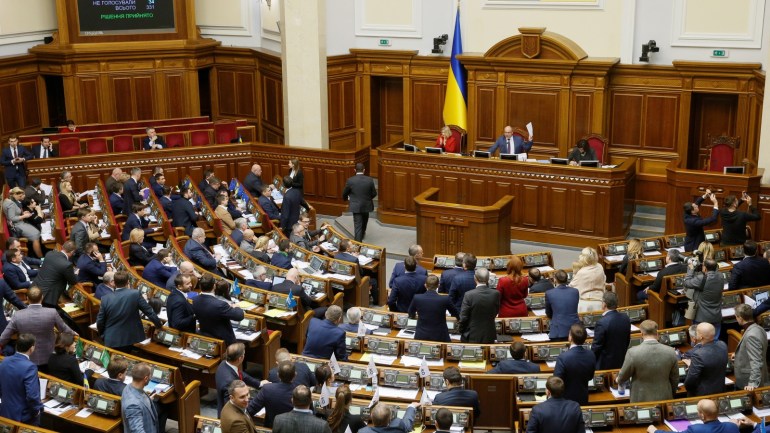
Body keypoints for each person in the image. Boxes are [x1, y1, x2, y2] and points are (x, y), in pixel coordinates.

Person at [0, 286, 70, 367]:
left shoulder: (18, 315)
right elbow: (64, 329)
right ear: (42, 297)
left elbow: (4, 337)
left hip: (27, 360)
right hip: (48, 357)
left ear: (27, 298)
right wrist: (75, 333)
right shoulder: (52, 312)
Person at [96, 271, 163, 352]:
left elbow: (100, 321)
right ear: (128, 282)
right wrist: (158, 325)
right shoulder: (135, 294)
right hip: (128, 338)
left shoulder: (105, 298)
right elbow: (149, 312)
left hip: (111, 339)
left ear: (114, 283)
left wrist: (103, 335)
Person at [616, 320, 679, 402]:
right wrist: (671, 393)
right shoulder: (671, 351)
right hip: (665, 397)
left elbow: (623, 377)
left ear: (641, 334)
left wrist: (618, 379)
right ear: (657, 334)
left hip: (640, 399)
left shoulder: (633, 352)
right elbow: (675, 378)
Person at [0, 334, 42, 424]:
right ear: (31, 348)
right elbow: (32, 396)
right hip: (23, 416)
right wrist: (36, 411)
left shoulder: (4, 361)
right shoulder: (30, 367)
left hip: (5, 411)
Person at [192, 274, 244, 346]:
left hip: (206, 339)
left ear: (200, 286)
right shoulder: (220, 304)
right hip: (223, 342)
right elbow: (239, 316)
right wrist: (236, 307)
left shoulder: (194, 300)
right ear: (214, 286)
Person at [215, 343, 263, 416]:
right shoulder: (230, 382)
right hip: (232, 417)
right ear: (240, 358)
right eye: (244, 354)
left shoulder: (224, 363)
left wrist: (259, 383)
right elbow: (231, 406)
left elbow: (240, 374)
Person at [553, 324, 595, 405]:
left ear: (570, 337)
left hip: (566, 400)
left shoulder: (563, 357)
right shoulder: (591, 355)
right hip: (583, 398)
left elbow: (556, 382)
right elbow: (590, 376)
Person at [408, 274, 459, 341]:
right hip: (440, 335)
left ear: (425, 285)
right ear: (438, 285)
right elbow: (456, 313)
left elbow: (410, 312)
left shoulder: (417, 298)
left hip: (421, 334)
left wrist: (413, 316)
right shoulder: (445, 299)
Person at [247, 361, 296, 428]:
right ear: (295, 375)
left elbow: (250, 410)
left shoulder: (268, 389)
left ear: (278, 375)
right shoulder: (299, 392)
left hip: (271, 428)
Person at [683, 323, 727, 397]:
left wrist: (692, 366)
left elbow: (690, 382)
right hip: (720, 391)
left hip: (702, 395)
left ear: (700, 337)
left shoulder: (698, 354)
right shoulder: (723, 345)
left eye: (696, 332)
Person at [684, 258, 725, 338]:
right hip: (716, 315)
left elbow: (687, 283)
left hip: (701, 317)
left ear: (705, 268)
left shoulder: (701, 279)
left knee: (698, 341)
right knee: (714, 341)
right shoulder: (721, 276)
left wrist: (691, 269)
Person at [458, 268, 500, 344]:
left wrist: (461, 330)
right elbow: (495, 312)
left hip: (472, 335)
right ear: (488, 280)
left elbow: (463, 317)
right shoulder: (496, 294)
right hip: (489, 334)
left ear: (475, 278)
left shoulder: (468, 295)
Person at [647, 399, 738, 433]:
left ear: (702, 416)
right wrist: (732, 424)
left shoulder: (695, 429)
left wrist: (655, 431)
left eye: (698, 411)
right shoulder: (733, 426)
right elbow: (730, 427)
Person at [733, 303, 768, 390]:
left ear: (740, 318)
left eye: (736, 317)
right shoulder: (759, 328)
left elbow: (756, 361)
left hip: (748, 382)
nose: (736, 319)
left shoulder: (751, 335)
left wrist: (752, 383)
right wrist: (739, 355)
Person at [591, 291, 630, 370]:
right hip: (621, 362)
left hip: (604, 365)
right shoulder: (625, 318)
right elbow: (627, 341)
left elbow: (596, 347)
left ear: (604, 304)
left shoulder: (601, 323)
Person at [35, 241, 78, 309]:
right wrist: (75, 273)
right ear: (72, 252)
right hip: (48, 296)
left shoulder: (49, 253)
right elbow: (73, 282)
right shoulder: (67, 265)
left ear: (62, 247)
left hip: (36, 288)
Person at [342, 163, 377, 242]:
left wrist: (346, 198)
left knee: (358, 226)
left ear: (355, 170)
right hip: (366, 205)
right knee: (364, 222)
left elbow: (345, 193)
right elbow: (374, 193)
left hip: (356, 206)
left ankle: (357, 245)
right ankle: (361, 235)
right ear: (364, 170)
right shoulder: (369, 180)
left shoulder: (350, 180)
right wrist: (368, 199)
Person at [3, 187, 43, 257]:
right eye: (20, 196)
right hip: (16, 225)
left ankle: (37, 252)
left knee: (37, 231)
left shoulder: (11, 200)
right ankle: (41, 257)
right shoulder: (11, 204)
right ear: (16, 195)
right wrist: (24, 216)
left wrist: (22, 213)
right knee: (35, 234)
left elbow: (15, 213)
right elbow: (11, 218)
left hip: (19, 221)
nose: (22, 198)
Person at [121, 362, 159, 433]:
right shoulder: (133, 405)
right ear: (146, 378)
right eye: (150, 375)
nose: (151, 378)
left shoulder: (128, 387)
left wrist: (148, 399)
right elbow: (137, 430)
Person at [545, 270, 579, 341]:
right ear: (567, 279)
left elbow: (549, 313)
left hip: (558, 331)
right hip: (575, 330)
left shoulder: (549, 293)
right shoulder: (575, 291)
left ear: (555, 280)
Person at [570, 247, 606, 313]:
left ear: (585, 258)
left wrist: (574, 275)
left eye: (581, 254)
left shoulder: (582, 272)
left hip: (585, 304)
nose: (579, 256)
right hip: (599, 302)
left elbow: (572, 286)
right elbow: (604, 280)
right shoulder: (600, 267)